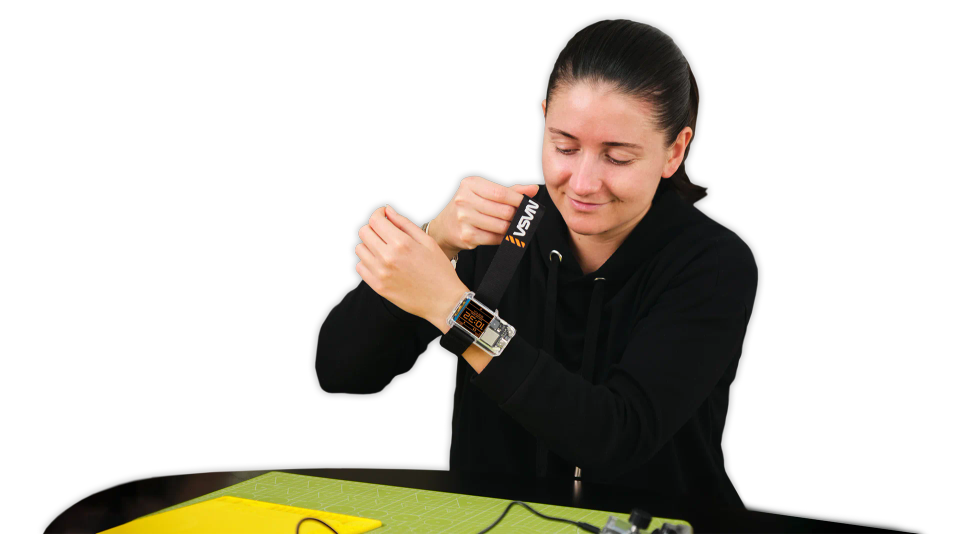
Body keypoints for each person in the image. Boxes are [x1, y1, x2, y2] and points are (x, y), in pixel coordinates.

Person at [315, 18, 758, 509]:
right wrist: (437, 242)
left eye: (618, 157)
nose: (583, 182)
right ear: (544, 119)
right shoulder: (495, 226)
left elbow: (614, 438)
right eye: (565, 146)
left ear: (674, 150)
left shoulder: (712, 264)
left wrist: (455, 309)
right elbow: (340, 372)